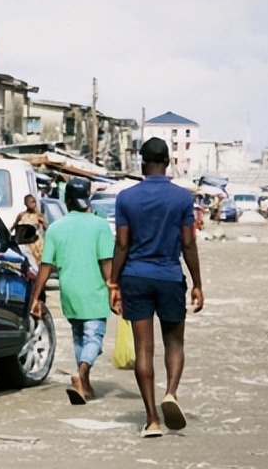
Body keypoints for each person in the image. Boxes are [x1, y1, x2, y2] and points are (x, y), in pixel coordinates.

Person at [108, 137, 204, 438]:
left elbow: (122, 244)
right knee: (174, 343)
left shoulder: (126, 197)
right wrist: (197, 283)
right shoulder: (182, 198)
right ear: (167, 162)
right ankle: (170, 393)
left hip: (135, 277)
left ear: (142, 162)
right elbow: (188, 243)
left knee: (143, 350)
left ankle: (151, 420)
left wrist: (113, 282)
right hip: (170, 276)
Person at [29, 176, 114, 405]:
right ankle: (81, 373)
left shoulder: (55, 229)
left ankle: (84, 386)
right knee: (94, 338)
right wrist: (113, 287)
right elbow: (106, 262)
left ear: (66, 202)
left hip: (69, 292)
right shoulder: (100, 226)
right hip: (94, 292)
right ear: (88, 201)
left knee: (79, 337)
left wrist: (36, 298)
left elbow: (45, 266)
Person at [11, 193, 47, 273]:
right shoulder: (21, 215)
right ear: (26, 204)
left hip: (35, 243)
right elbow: (14, 225)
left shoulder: (38, 215)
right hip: (24, 243)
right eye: (31, 202)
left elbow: (46, 228)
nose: (34, 204)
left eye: (34, 202)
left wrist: (43, 223)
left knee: (37, 262)